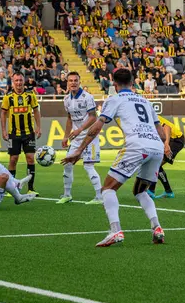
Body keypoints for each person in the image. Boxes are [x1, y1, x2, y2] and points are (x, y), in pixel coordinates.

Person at [61, 69, 167, 247]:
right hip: (156, 147)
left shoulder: (115, 99)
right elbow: (162, 134)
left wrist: (79, 150)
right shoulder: (145, 101)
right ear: (132, 83)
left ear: (114, 85)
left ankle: (115, 230)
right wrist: (163, 148)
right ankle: (157, 227)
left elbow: (96, 127)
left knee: (108, 189)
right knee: (140, 191)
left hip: (136, 146)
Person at [58, 72, 102, 205]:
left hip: (90, 136)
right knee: (68, 164)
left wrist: (79, 130)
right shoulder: (66, 99)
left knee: (88, 166)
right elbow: (69, 118)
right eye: (70, 80)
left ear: (79, 82)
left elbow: (93, 117)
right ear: (67, 83)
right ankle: (67, 195)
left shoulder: (87, 97)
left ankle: (99, 197)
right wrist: (66, 136)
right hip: (76, 138)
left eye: (75, 80)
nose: (73, 83)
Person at [1, 73, 41, 196]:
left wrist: (38, 127)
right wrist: (3, 130)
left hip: (29, 132)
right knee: (13, 159)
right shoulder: (8, 96)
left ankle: (31, 188)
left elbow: (36, 110)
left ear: (24, 81)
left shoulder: (30, 95)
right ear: (13, 82)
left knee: (30, 158)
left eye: (20, 80)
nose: (18, 83)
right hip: (14, 133)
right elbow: (3, 113)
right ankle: (12, 188)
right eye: (16, 80)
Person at [147, 115, 185, 199]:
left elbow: (166, 127)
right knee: (155, 165)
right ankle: (163, 191)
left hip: (175, 139)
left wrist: (166, 144)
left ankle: (153, 191)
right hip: (166, 140)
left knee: (155, 165)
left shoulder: (149, 116)